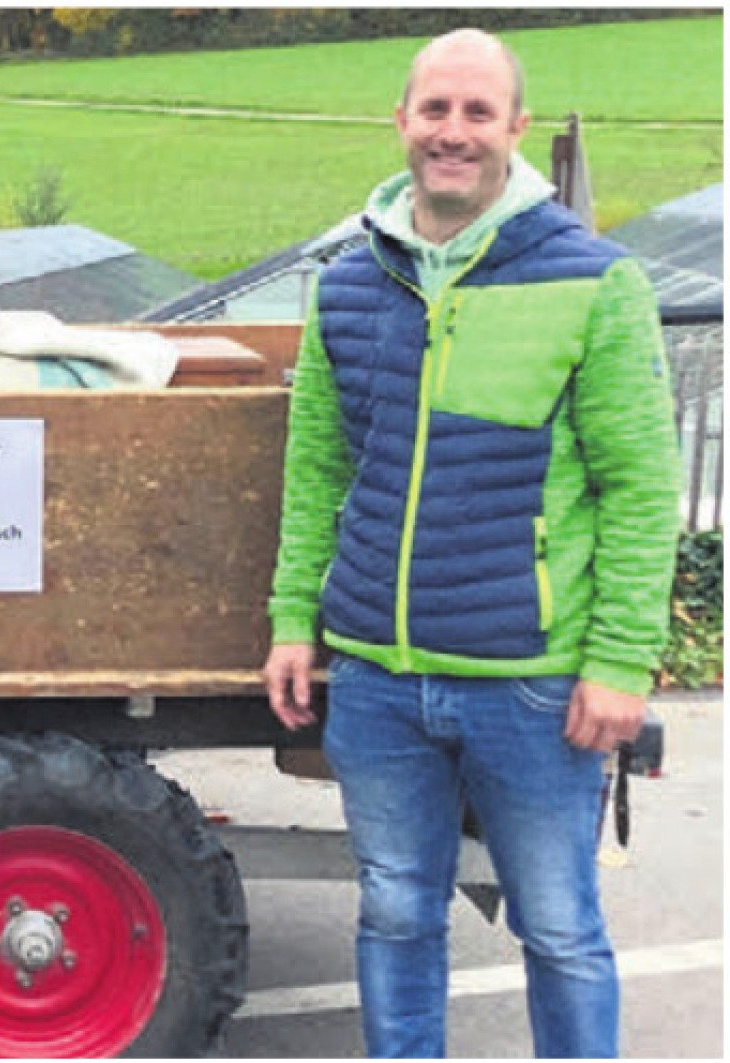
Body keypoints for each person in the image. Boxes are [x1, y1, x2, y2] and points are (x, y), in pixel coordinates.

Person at [261, 29, 681, 1059]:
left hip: (532, 690)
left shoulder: (594, 283)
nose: (455, 133)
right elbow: (318, 470)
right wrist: (292, 619)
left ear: (515, 131)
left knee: (560, 929)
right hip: (380, 680)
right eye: (436, 110)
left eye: (477, 113)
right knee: (397, 916)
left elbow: (638, 486)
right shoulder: (349, 285)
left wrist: (621, 661)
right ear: (402, 121)